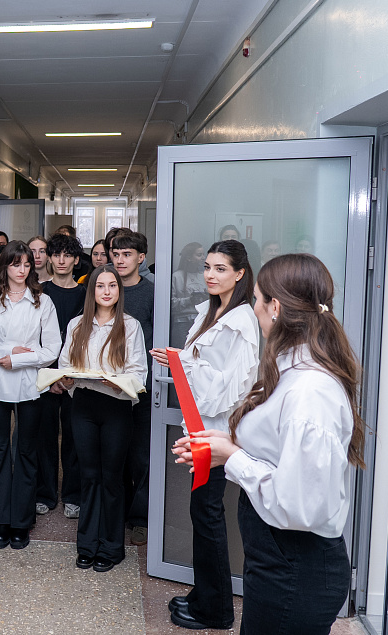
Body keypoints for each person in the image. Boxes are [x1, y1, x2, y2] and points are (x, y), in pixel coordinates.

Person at [172, 253, 365, 635]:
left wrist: (233, 456)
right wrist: (227, 442)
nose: (254, 308)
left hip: (295, 567)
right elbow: (280, 449)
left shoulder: (310, 391)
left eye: (257, 299)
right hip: (278, 560)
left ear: (274, 307)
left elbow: (299, 506)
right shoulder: (292, 370)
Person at [152, 240, 259, 631]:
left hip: (217, 434)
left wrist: (186, 363)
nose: (210, 275)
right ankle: (204, 596)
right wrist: (181, 359)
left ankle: (215, 610)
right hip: (202, 428)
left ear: (240, 273)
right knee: (203, 512)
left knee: (208, 514)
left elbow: (231, 388)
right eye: (208, 267)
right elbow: (203, 364)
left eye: (220, 268)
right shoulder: (213, 311)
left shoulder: (241, 321)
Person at [52, 264, 147, 572]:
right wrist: (65, 379)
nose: (107, 291)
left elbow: (139, 372)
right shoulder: (77, 324)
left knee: (112, 477)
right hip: (83, 405)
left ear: (119, 291)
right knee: (89, 475)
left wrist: (117, 383)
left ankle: (111, 546)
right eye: (100, 286)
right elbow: (65, 364)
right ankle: (87, 544)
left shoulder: (130, 326)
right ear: (91, 291)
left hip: (116, 406)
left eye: (112, 286)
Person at [0, 240, 61, 551]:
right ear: (3, 266)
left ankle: (21, 521)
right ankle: (1, 519)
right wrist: (6, 353)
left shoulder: (42, 301)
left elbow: (52, 349)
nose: (22, 270)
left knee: (26, 450)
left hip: (30, 382)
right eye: (15, 264)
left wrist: (19, 359)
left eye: (26, 264)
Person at [108, 229, 155, 546]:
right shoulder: (105, 287)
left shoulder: (151, 294)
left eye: (127, 254)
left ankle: (140, 518)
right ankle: (117, 511)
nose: (120, 259)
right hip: (107, 386)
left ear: (141, 258)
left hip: (140, 386)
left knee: (141, 456)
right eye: (116, 254)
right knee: (115, 454)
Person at [35, 233, 86, 519]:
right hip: (44, 374)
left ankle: (73, 495)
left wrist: (69, 377)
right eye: (56, 255)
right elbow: (33, 337)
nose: (62, 260)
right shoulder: (39, 293)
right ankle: (44, 493)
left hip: (76, 376)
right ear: (50, 259)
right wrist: (50, 376)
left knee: (73, 438)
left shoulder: (85, 295)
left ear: (76, 260)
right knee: (44, 437)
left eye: (67, 255)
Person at [170, 242, 206, 349]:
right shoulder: (176, 277)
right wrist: (189, 300)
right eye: (199, 255)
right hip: (182, 323)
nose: (203, 258)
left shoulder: (205, 276)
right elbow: (170, 304)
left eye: (203, 254)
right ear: (189, 258)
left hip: (202, 322)